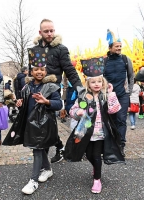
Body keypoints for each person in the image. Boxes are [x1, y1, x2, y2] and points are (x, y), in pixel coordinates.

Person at [3, 66, 62, 195]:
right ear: (31, 72)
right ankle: (47, 169)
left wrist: (47, 101)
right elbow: (24, 102)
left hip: (44, 124)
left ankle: (33, 181)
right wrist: (19, 103)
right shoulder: (27, 87)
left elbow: (59, 104)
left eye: (42, 69)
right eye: (36, 69)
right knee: (38, 148)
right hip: (31, 123)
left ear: (46, 72)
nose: (39, 72)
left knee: (37, 149)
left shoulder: (51, 86)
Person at [29, 19, 83, 163]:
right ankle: (59, 147)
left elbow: (69, 70)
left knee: (47, 123)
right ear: (40, 32)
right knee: (42, 124)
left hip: (52, 90)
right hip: (37, 90)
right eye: (46, 31)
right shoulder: (34, 50)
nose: (49, 33)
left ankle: (41, 162)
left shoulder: (61, 49)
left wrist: (80, 88)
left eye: (52, 30)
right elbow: (31, 71)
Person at [67, 73, 125, 194]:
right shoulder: (83, 96)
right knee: (88, 155)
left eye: (99, 81)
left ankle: (97, 179)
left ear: (103, 82)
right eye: (93, 82)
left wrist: (111, 93)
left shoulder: (105, 95)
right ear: (88, 84)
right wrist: (79, 112)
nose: (96, 84)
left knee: (97, 156)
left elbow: (114, 109)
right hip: (86, 131)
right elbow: (72, 110)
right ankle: (96, 167)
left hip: (100, 132)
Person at [103, 32, 134, 156]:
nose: (119, 48)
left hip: (122, 95)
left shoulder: (126, 60)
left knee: (121, 119)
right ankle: (113, 142)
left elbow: (131, 76)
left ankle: (121, 144)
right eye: (117, 46)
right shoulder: (104, 61)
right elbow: (101, 78)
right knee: (112, 120)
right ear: (110, 48)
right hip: (109, 96)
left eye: (120, 46)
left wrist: (129, 92)